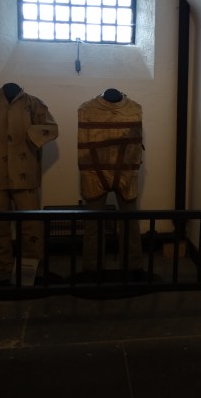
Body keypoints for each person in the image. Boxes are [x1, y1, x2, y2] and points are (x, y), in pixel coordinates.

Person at [0, 83, 58, 284]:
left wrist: (30, 136)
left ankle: (31, 274)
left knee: (32, 227)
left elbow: (51, 128)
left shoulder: (32, 103)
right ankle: (1, 273)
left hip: (25, 175)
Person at [77, 88, 144, 276]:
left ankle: (133, 268)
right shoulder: (87, 109)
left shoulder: (134, 108)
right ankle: (92, 269)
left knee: (130, 223)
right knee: (93, 225)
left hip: (126, 172)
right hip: (94, 172)